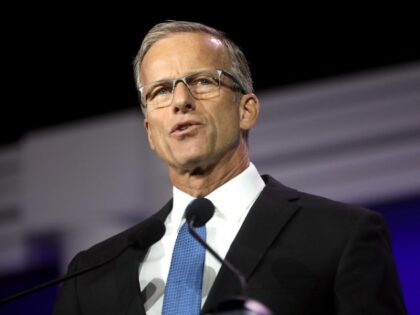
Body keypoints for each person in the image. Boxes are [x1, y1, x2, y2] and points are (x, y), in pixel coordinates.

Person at [53, 20, 407, 315]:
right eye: (160, 91)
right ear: (150, 132)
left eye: (202, 81)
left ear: (247, 110)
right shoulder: (90, 275)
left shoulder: (340, 235)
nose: (181, 101)